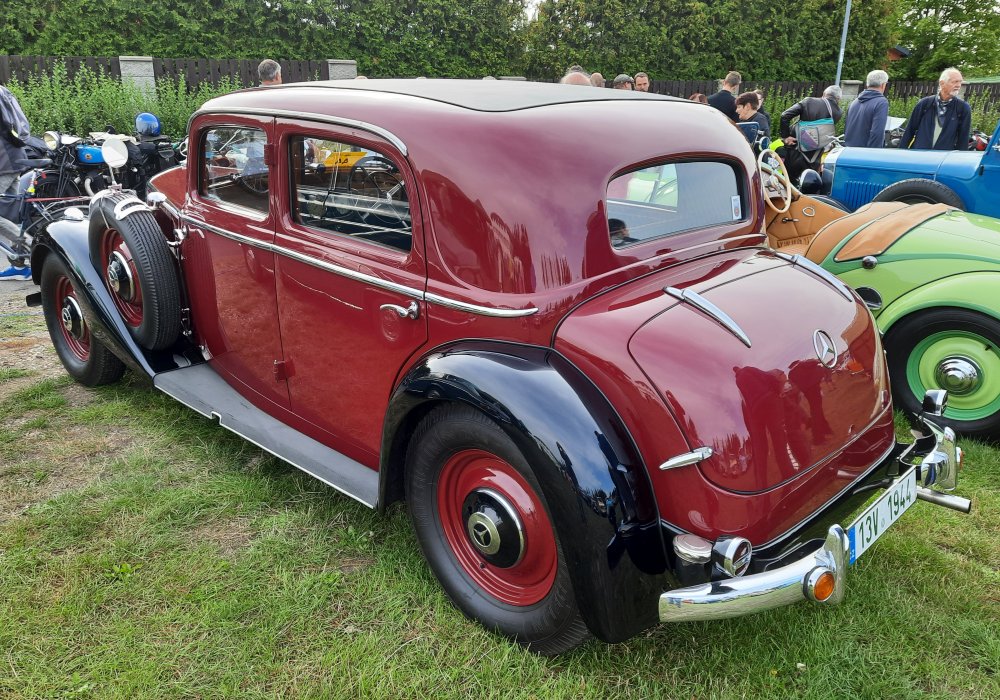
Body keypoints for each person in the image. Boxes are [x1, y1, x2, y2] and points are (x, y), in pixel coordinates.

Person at [780, 85, 844, 184]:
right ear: (838, 99)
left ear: (824, 94)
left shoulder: (809, 101)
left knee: (788, 185)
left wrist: (786, 136)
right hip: (815, 156)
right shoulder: (839, 112)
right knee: (808, 185)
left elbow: (785, 116)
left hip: (796, 151)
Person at [0, 81, 31, 281]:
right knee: (10, 216)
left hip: (3, 161)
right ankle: (19, 266)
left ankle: (33, 246)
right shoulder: (4, 91)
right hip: (14, 156)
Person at [899, 68, 971, 150]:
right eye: (954, 82)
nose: (958, 85)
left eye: (960, 82)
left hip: (943, 160)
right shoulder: (925, 104)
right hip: (919, 156)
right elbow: (909, 131)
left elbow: (963, 139)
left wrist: (959, 160)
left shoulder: (963, 108)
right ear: (942, 83)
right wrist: (901, 153)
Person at [843, 70, 889, 148]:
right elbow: (877, 132)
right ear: (883, 85)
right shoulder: (881, 102)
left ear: (868, 84)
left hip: (849, 150)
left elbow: (846, 128)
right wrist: (873, 153)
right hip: (865, 153)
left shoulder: (854, 101)